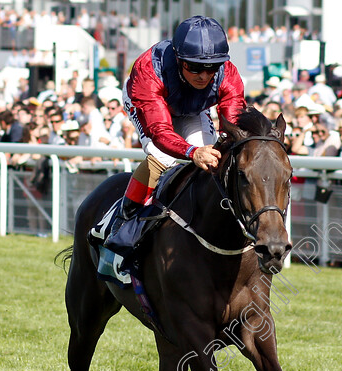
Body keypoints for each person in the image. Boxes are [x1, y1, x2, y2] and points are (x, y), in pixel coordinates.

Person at [105, 15, 245, 246]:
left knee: (211, 158)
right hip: (148, 103)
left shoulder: (228, 74)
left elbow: (233, 126)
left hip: (192, 108)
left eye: (212, 68)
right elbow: (160, 131)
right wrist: (191, 152)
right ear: (179, 59)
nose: (203, 76)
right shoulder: (149, 69)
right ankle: (123, 220)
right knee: (162, 156)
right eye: (195, 67)